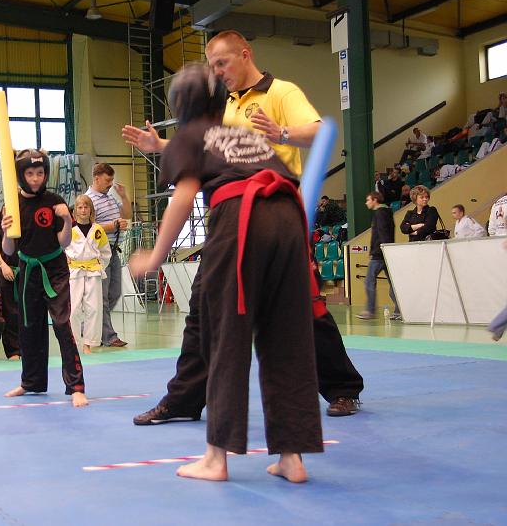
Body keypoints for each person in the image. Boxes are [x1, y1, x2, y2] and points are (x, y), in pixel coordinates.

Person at [123, 30, 364, 422]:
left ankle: (342, 387)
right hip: (229, 224)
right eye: (212, 66)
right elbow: (209, 150)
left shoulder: (280, 92)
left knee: (303, 308)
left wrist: (281, 132)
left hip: (275, 213)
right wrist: (162, 146)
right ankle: (184, 399)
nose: (217, 72)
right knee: (203, 308)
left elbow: (319, 132)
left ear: (245, 54)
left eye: (222, 62)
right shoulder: (223, 107)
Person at [129, 64, 322, 482]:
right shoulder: (246, 136)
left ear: (179, 107)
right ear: (221, 103)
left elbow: (183, 198)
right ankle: (292, 457)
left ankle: (216, 458)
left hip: (242, 220)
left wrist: (156, 256)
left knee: (225, 336)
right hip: (289, 218)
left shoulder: (189, 136)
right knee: (287, 337)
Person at [1, 149, 88, 408]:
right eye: (30, 173)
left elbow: (64, 243)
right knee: (29, 327)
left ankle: (76, 386)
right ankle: (32, 382)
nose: (35, 178)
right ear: (21, 175)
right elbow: (8, 250)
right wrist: (5, 231)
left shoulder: (54, 201)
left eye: (40, 173)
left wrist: (66, 219)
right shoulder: (12, 205)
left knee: (61, 324)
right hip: (28, 270)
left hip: (54, 269)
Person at [85, 163, 131, 348]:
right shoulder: (89, 200)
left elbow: (127, 214)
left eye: (112, 180)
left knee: (115, 293)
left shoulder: (110, 197)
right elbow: (87, 226)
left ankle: (91, 325)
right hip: (98, 254)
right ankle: (109, 336)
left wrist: (124, 196)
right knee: (102, 297)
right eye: (107, 180)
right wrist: (112, 226)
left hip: (114, 251)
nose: (111, 184)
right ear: (97, 178)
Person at [65, 194, 112, 354]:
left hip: (93, 272)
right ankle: (74, 343)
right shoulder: (69, 230)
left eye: (86, 207)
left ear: (91, 210)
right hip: (74, 272)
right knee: (73, 309)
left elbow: (106, 252)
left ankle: (88, 344)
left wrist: (99, 266)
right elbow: (62, 250)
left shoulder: (98, 230)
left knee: (94, 308)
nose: (83, 210)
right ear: (75, 211)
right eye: (80, 207)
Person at [356, 192, 400, 320]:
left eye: (368, 200)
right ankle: (399, 310)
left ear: (375, 200)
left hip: (380, 253)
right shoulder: (387, 212)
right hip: (386, 252)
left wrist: (378, 250)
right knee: (393, 283)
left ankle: (370, 310)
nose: (366, 203)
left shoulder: (380, 213)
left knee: (369, 281)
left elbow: (382, 233)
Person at [0, 209, 21, 361]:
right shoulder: (3, 218)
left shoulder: (27, 212)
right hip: (8, 271)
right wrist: (3, 265)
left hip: (29, 271)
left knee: (30, 313)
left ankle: (30, 349)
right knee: (10, 314)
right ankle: (13, 351)